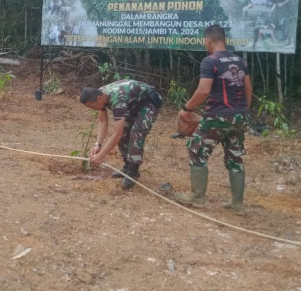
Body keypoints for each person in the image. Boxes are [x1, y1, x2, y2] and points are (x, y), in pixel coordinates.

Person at [175, 25, 252, 212]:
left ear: (208, 41)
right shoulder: (240, 61)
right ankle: (237, 203)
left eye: (205, 42)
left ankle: (197, 197)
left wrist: (187, 108)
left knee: (197, 150)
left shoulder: (210, 61)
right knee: (235, 157)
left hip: (218, 116)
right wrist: (242, 111)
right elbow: (248, 88)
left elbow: (203, 90)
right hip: (239, 116)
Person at [80, 79, 163, 190]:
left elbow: (116, 134)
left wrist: (101, 155)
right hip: (132, 103)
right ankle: (127, 166)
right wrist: (97, 144)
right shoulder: (99, 95)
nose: (93, 109)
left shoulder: (117, 99)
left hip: (148, 102)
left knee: (136, 133)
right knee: (125, 132)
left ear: (99, 99)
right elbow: (103, 122)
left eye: (93, 106)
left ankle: (133, 172)